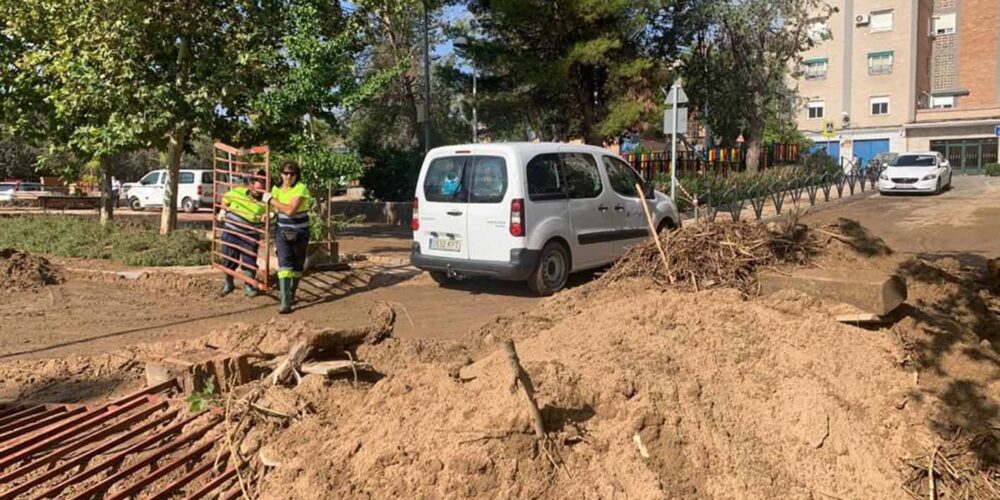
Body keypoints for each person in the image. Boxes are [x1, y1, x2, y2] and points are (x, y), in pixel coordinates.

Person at [264, 160, 312, 314]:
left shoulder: (300, 188)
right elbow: (276, 210)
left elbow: (291, 210)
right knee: (284, 265)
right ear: (281, 174)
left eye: (292, 174)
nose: (288, 176)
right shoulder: (276, 189)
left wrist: (271, 200)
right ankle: (285, 303)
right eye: (285, 173)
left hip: (300, 233)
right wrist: (270, 214)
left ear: (296, 175)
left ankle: (292, 294)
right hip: (282, 231)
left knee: (298, 266)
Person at [219, 170, 268, 297]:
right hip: (231, 231)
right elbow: (225, 199)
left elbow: (271, 213)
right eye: (257, 188)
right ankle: (228, 283)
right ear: (251, 185)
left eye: (261, 190)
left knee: (249, 261)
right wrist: (223, 210)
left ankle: (249, 286)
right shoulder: (237, 191)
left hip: (249, 234)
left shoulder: (265, 201)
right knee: (229, 259)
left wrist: (268, 216)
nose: (258, 192)